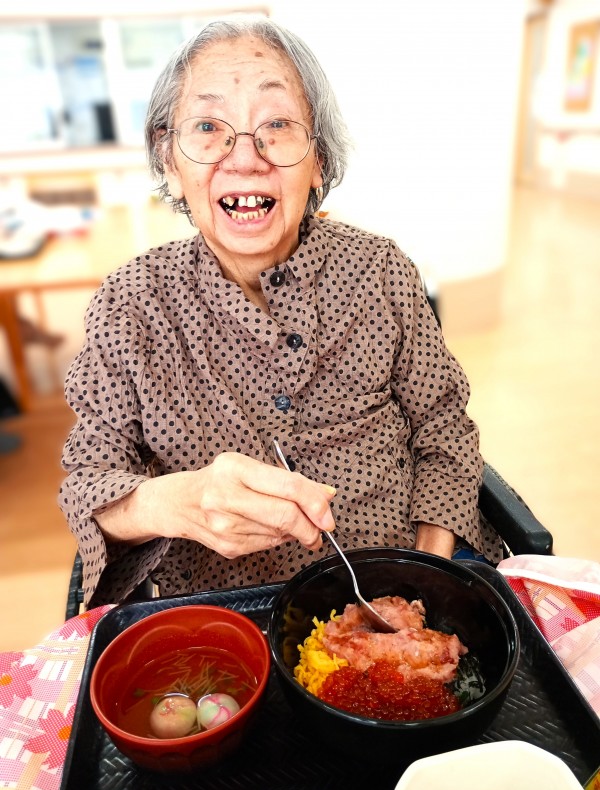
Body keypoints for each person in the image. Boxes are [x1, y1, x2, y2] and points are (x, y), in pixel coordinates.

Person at [59, 17, 502, 609]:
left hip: (399, 582)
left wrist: (425, 578)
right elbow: (88, 485)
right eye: (209, 127)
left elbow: (444, 426)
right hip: (231, 616)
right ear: (169, 161)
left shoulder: (380, 269)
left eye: (277, 125)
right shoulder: (131, 302)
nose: (245, 158)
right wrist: (179, 501)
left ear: (318, 160)